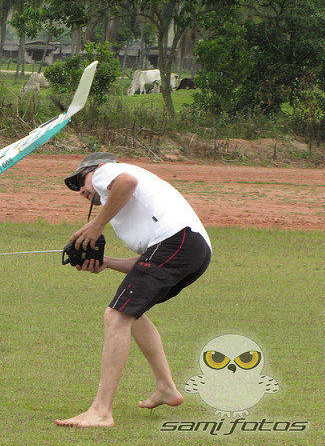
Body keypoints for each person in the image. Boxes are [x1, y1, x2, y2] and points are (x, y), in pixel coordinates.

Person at [55, 152, 212, 428]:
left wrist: (96, 225)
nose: (81, 189)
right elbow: (148, 262)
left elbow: (126, 181)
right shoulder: (123, 210)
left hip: (180, 242)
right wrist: (105, 262)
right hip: (193, 250)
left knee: (115, 316)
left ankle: (101, 412)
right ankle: (166, 387)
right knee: (132, 313)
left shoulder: (110, 173)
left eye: (82, 179)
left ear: (98, 169)